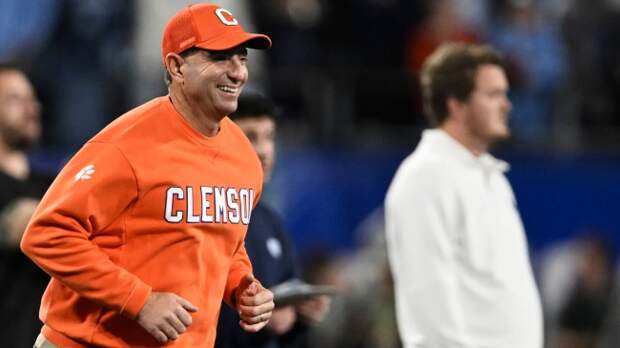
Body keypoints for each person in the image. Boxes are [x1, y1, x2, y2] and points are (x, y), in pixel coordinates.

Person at [20, 4, 275, 347]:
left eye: (241, 59)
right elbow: (47, 234)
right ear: (176, 66)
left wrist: (243, 286)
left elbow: (223, 243)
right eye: (219, 57)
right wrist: (139, 300)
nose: (237, 72)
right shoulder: (128, 144)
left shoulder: (243, 157)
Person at [385, 42, 543, 348]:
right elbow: (427, 303)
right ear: (456, 104)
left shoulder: (492, 177)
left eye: (505, 93)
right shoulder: (425, 179)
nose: (506, 104)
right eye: (493, 94)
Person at [215, 93, 330, 348]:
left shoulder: (271, 222)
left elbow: (287, 322)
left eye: (270, 137)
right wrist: (261, 320)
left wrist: (301, 318)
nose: (264, 151)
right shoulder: (204, 215)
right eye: (251, 137)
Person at [0, 65, 52, 347]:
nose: (32, 107)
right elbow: (21, 223)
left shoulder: (53, 182)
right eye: (15, 99)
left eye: (32, 99)